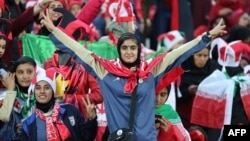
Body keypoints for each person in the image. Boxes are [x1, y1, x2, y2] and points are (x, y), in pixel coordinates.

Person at [42, 10, 226, 140]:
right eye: (125, 48)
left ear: (138, 50)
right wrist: (52, 30)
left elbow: (180, 53)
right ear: (119, 50)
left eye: (133, 48)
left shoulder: (151, 70)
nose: (129, 52)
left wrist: (207, 36)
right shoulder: (104, 69)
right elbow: (76, 50)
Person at [21, 68, 98, 141]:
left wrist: (92, 120)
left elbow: (87, 137)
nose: (42, 91)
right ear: (34, 92)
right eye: (38, 88)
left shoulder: (70, 110)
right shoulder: (28, 123)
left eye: (47, 87)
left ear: (53, 91)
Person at [0, 56, 39, 141]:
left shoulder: (41, 95)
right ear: (14, 75)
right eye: (20, 72)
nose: (25, 76)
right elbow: (4, 117)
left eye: (29, 72)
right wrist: (10, 89)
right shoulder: (4, 94)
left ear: (36, 73)